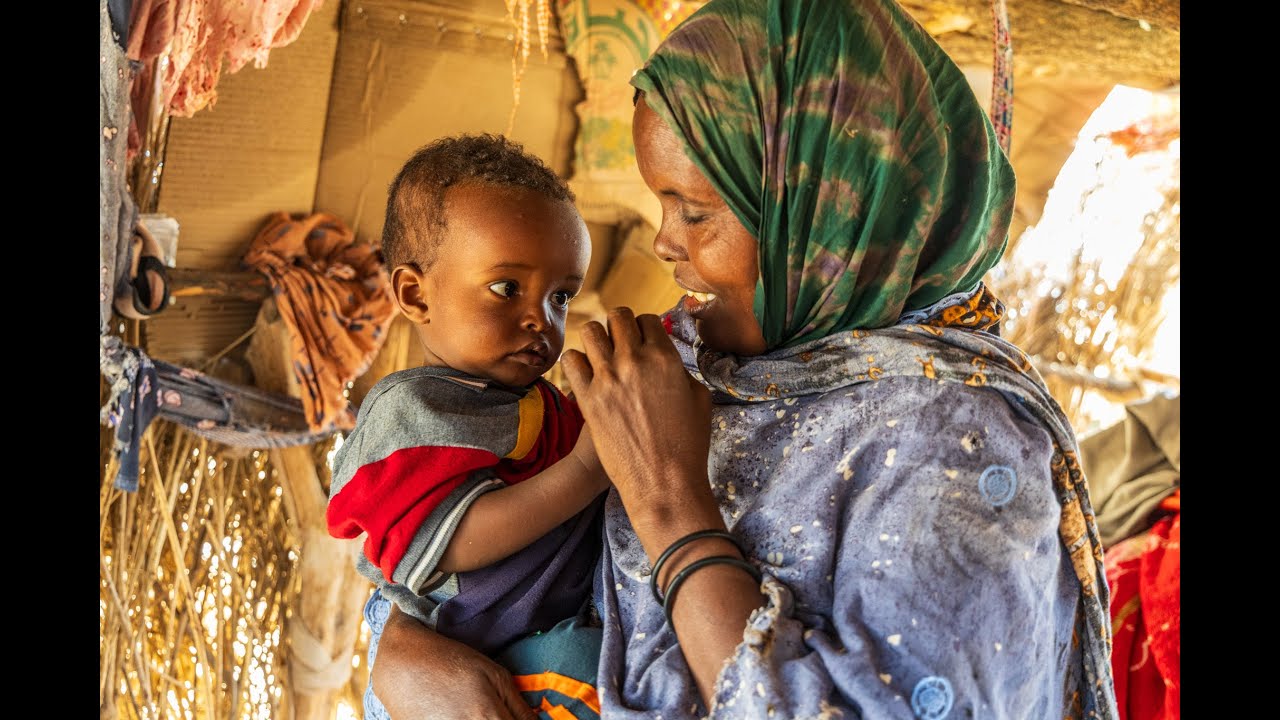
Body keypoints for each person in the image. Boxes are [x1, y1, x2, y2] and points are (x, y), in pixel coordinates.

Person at [367, 1, 1120, 719]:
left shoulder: (958, 450)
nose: (665, 243)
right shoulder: (704, 362)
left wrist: (671, 507)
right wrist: (405, 649)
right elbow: (457, 542)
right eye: (663, 206)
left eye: (695, 212)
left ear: (826, 208)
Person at [327, 134, 609, 720]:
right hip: (457, 657)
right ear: (415, 293)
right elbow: (452, 541)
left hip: (526, 643)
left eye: (561, 296)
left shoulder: (535, 402)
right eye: (507, 288)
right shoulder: (414, 414)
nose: (542, 318)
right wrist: (587, 469)